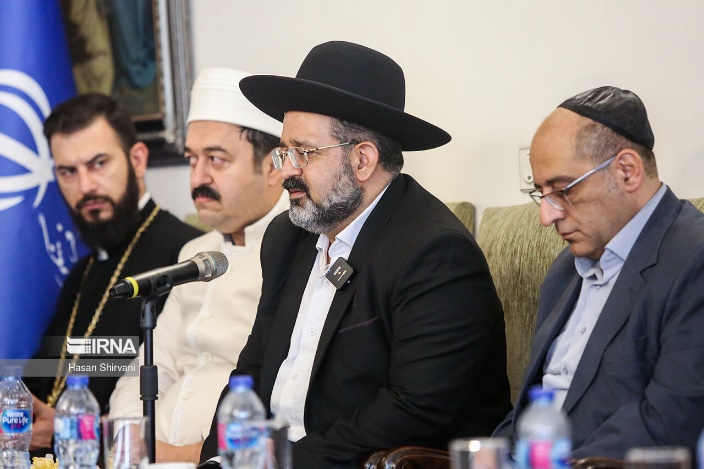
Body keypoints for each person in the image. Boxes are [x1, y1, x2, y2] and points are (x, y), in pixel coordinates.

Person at [198, 40, 511, 469]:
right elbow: (249, 376)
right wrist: (218, 461)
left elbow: (414, 411)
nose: (286, 170)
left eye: (303, 153)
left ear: (363, 160)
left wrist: (277, 463)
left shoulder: (435, 253)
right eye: (284, 152)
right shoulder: (287, 238)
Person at [493, 86, 704, 458]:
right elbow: (528, 413)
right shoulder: (564, 271)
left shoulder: (693, 259)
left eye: (563, 190)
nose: (547, 216)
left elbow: (669, 423)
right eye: (541, 193)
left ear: (627, 172)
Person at [108, 68, 288, 462]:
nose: (197, 179)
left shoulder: (300, 253)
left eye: (216, 160)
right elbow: (153, 365)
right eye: (192, 160)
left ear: (275, 166)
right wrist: (128, 439)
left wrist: (186, 456)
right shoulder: (196, 251)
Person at [26, 93, 202, 454]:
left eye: (99, 164)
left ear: (137, 159)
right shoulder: (81, 273)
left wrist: (67, 431)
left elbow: (181, 404)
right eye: (68, 172)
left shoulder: (187, 257)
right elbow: (43, 381)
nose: (86, 186)